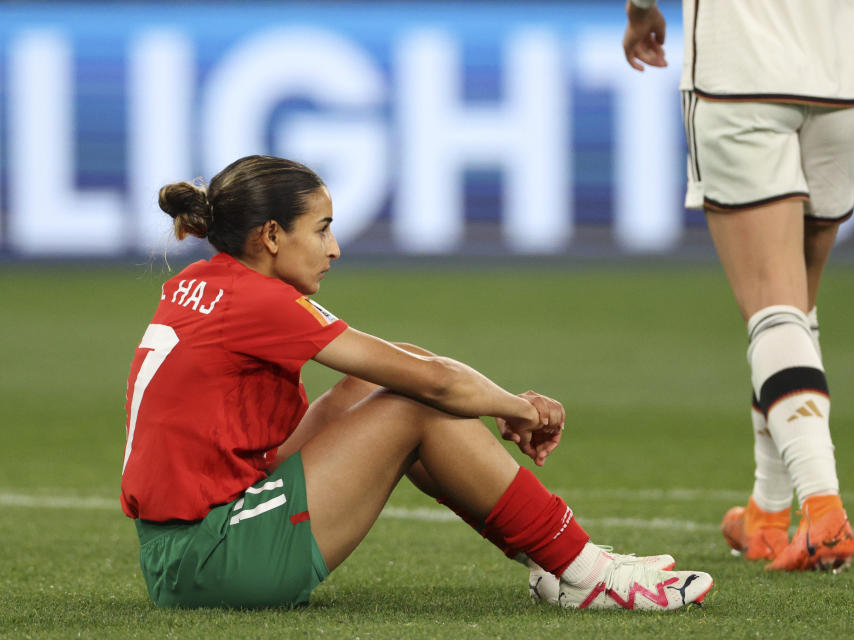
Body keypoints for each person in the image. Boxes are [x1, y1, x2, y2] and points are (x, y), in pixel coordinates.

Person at [120, 155, 713, 610]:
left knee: (366, 386)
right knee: (415, 408)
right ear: (272, 236)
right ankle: (589, 575)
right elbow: (432, 384)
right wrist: (522, 409)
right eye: (321, 229)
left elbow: (400, 361)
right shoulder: (258, 301)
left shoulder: (204, 280)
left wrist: (503, 403)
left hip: (179, 549)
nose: (335, 247)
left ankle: (556, 565)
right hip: (209, 558)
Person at [621, 0, 854, 571]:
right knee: (794, 310)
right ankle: (768, 512)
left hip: (742, 71)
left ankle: (823, 510)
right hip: (842, 75)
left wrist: (640, 10)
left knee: (773, 309)